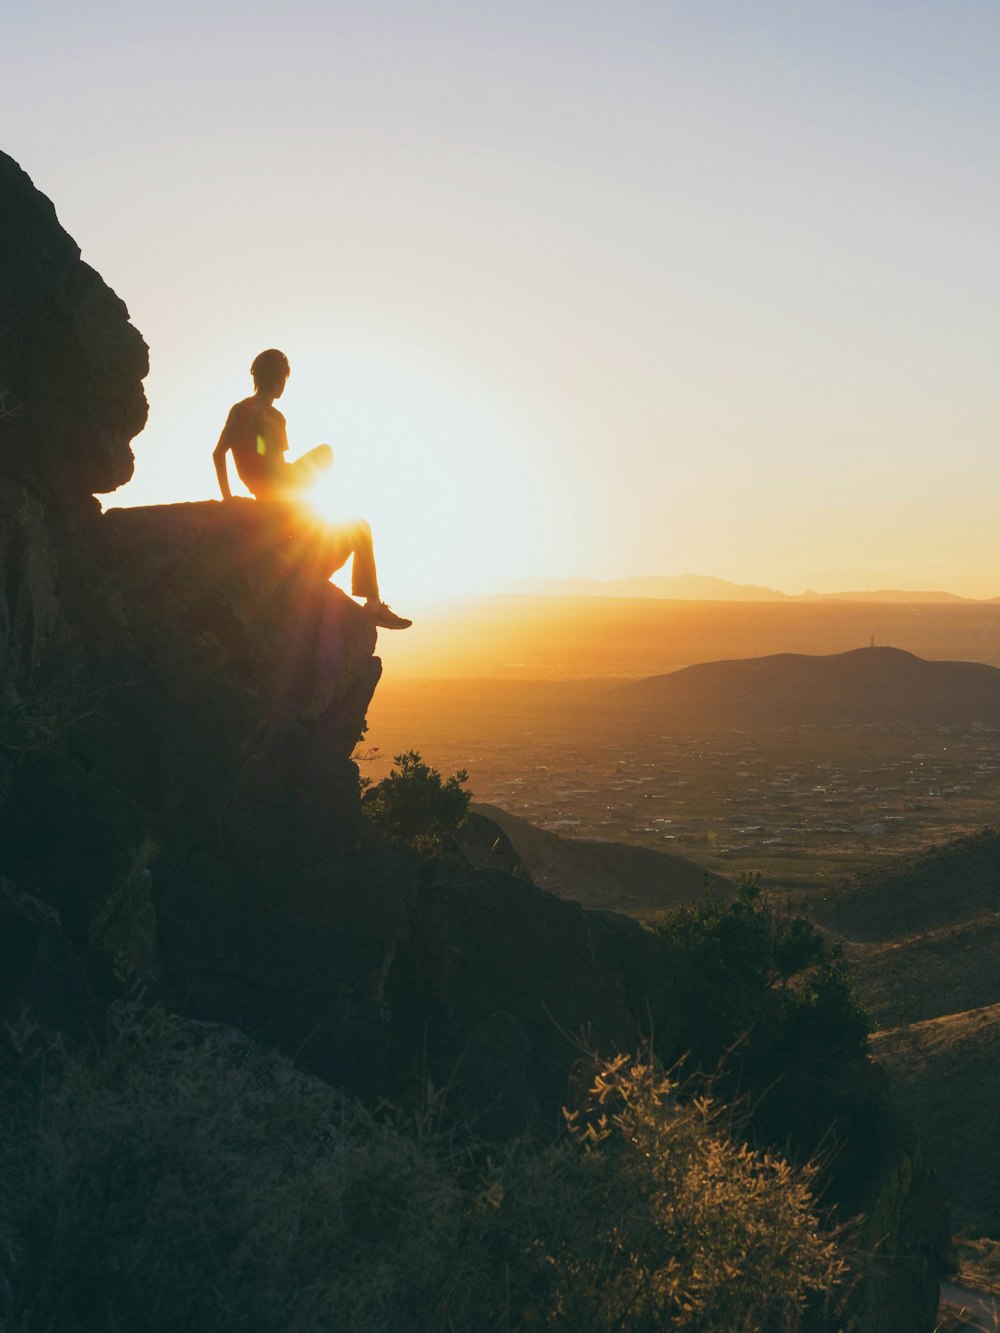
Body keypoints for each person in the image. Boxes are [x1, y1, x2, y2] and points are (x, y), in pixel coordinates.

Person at [214, 349, 411, 629]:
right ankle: (373, 605)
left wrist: (228, 498)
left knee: (338, 499)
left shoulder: (239, 410)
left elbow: (218, 454)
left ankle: (314, 546)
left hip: (264, 492)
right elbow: (276, 471)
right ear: (281, 380)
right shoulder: (272, 416)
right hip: (277, 495)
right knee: (353, 514)